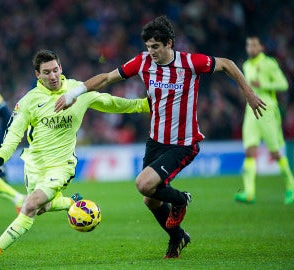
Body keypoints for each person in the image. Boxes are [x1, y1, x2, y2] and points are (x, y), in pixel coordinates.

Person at [54, 15, 266, 259]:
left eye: (156, 46)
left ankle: (180, 200)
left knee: (143, 184)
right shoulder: (143, 63)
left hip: (183, 143)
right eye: (148, 47)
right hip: (156, 141)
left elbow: (227, 64)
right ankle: (178, 238)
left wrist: (249, 94)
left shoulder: (190, 63)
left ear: (169, 44)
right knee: (150, 200)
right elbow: (106, 77)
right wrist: (74, 94)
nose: (151, 51)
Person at [0, 49, 149, 264]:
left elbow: (110, 102)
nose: (53, 76)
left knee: (30, 205)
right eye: (46, 72)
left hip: (62, 165)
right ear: (37, 74)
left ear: (61, 68)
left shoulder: (77, 91)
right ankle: (70, 202)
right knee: (41, 208)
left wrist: (143, 104)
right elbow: (14, 134)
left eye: (55, 70)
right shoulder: (29, 101)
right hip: (34, 164)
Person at [234, 36, 294, 204]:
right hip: (250, 112)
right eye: (248, 46)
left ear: (261, 47)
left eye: (254, 45)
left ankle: (291, 187)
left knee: (275, 153)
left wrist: (264, 84)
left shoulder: (269, 63)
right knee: (249, 151)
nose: (251, 48)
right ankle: (249, 192)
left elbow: (283, 84)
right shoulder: (246, 65)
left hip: (267, 110)